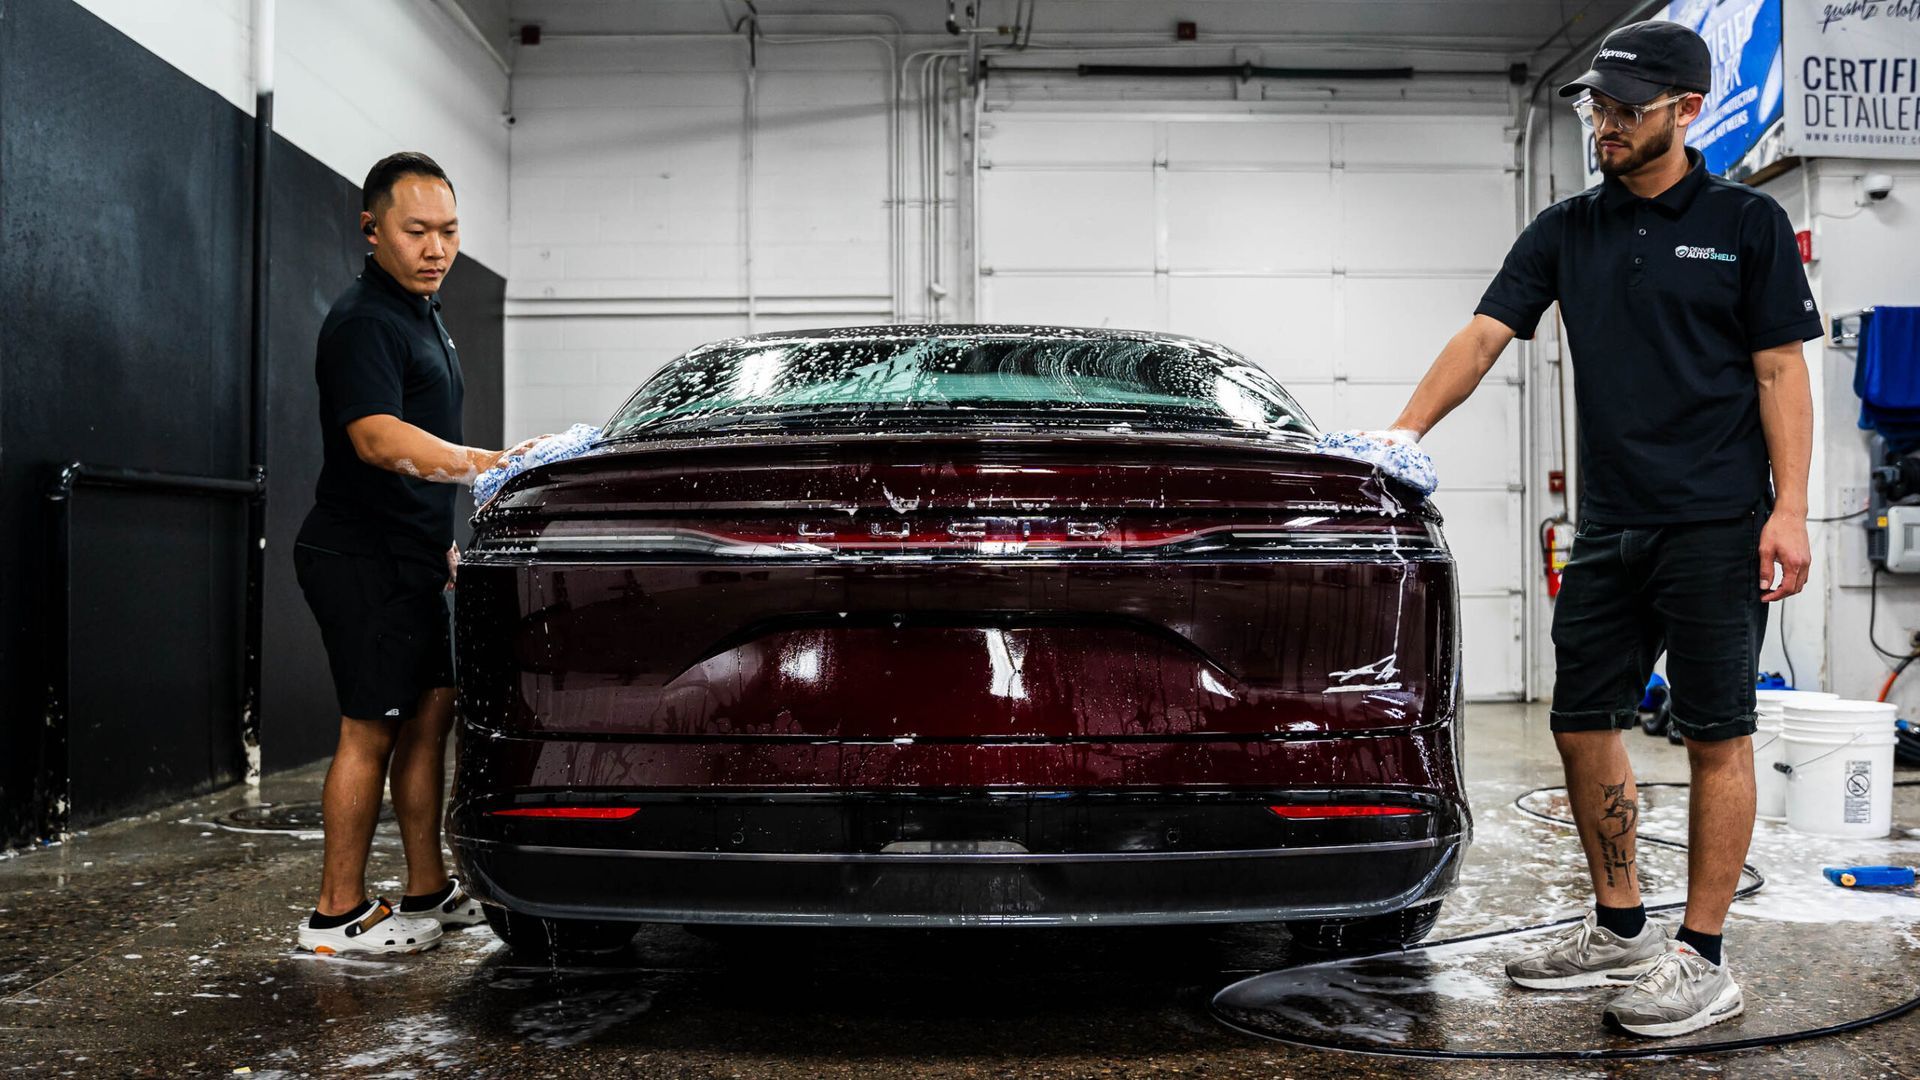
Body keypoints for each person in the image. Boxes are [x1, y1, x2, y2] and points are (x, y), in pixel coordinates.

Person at [1383, 21, 1819, 1036]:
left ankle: (1700, 956)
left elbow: (1780, 371)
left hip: (1717, 522)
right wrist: (1402, 430)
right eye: (1597, 106)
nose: (1605, 124)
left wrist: (1790, 509)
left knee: (1718, 734)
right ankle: (1619, 925)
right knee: (1582, 722)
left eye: (1626, 108)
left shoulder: (1744, 223)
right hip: (1609, 525)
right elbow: (1485, 332)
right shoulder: (1568, 228)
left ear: (1686, 110)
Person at [292, 152, 537, 955]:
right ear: (372, 231)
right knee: (372, 729)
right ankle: (335, 915)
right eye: (417, 231)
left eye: (450, 230)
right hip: (358, 555)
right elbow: (375, 437)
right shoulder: (366, 320)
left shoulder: (423, 313)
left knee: (431, 718)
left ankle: (426, 890)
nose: (437, 247)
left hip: (414, 554)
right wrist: (487, 463)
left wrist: (444, 545)